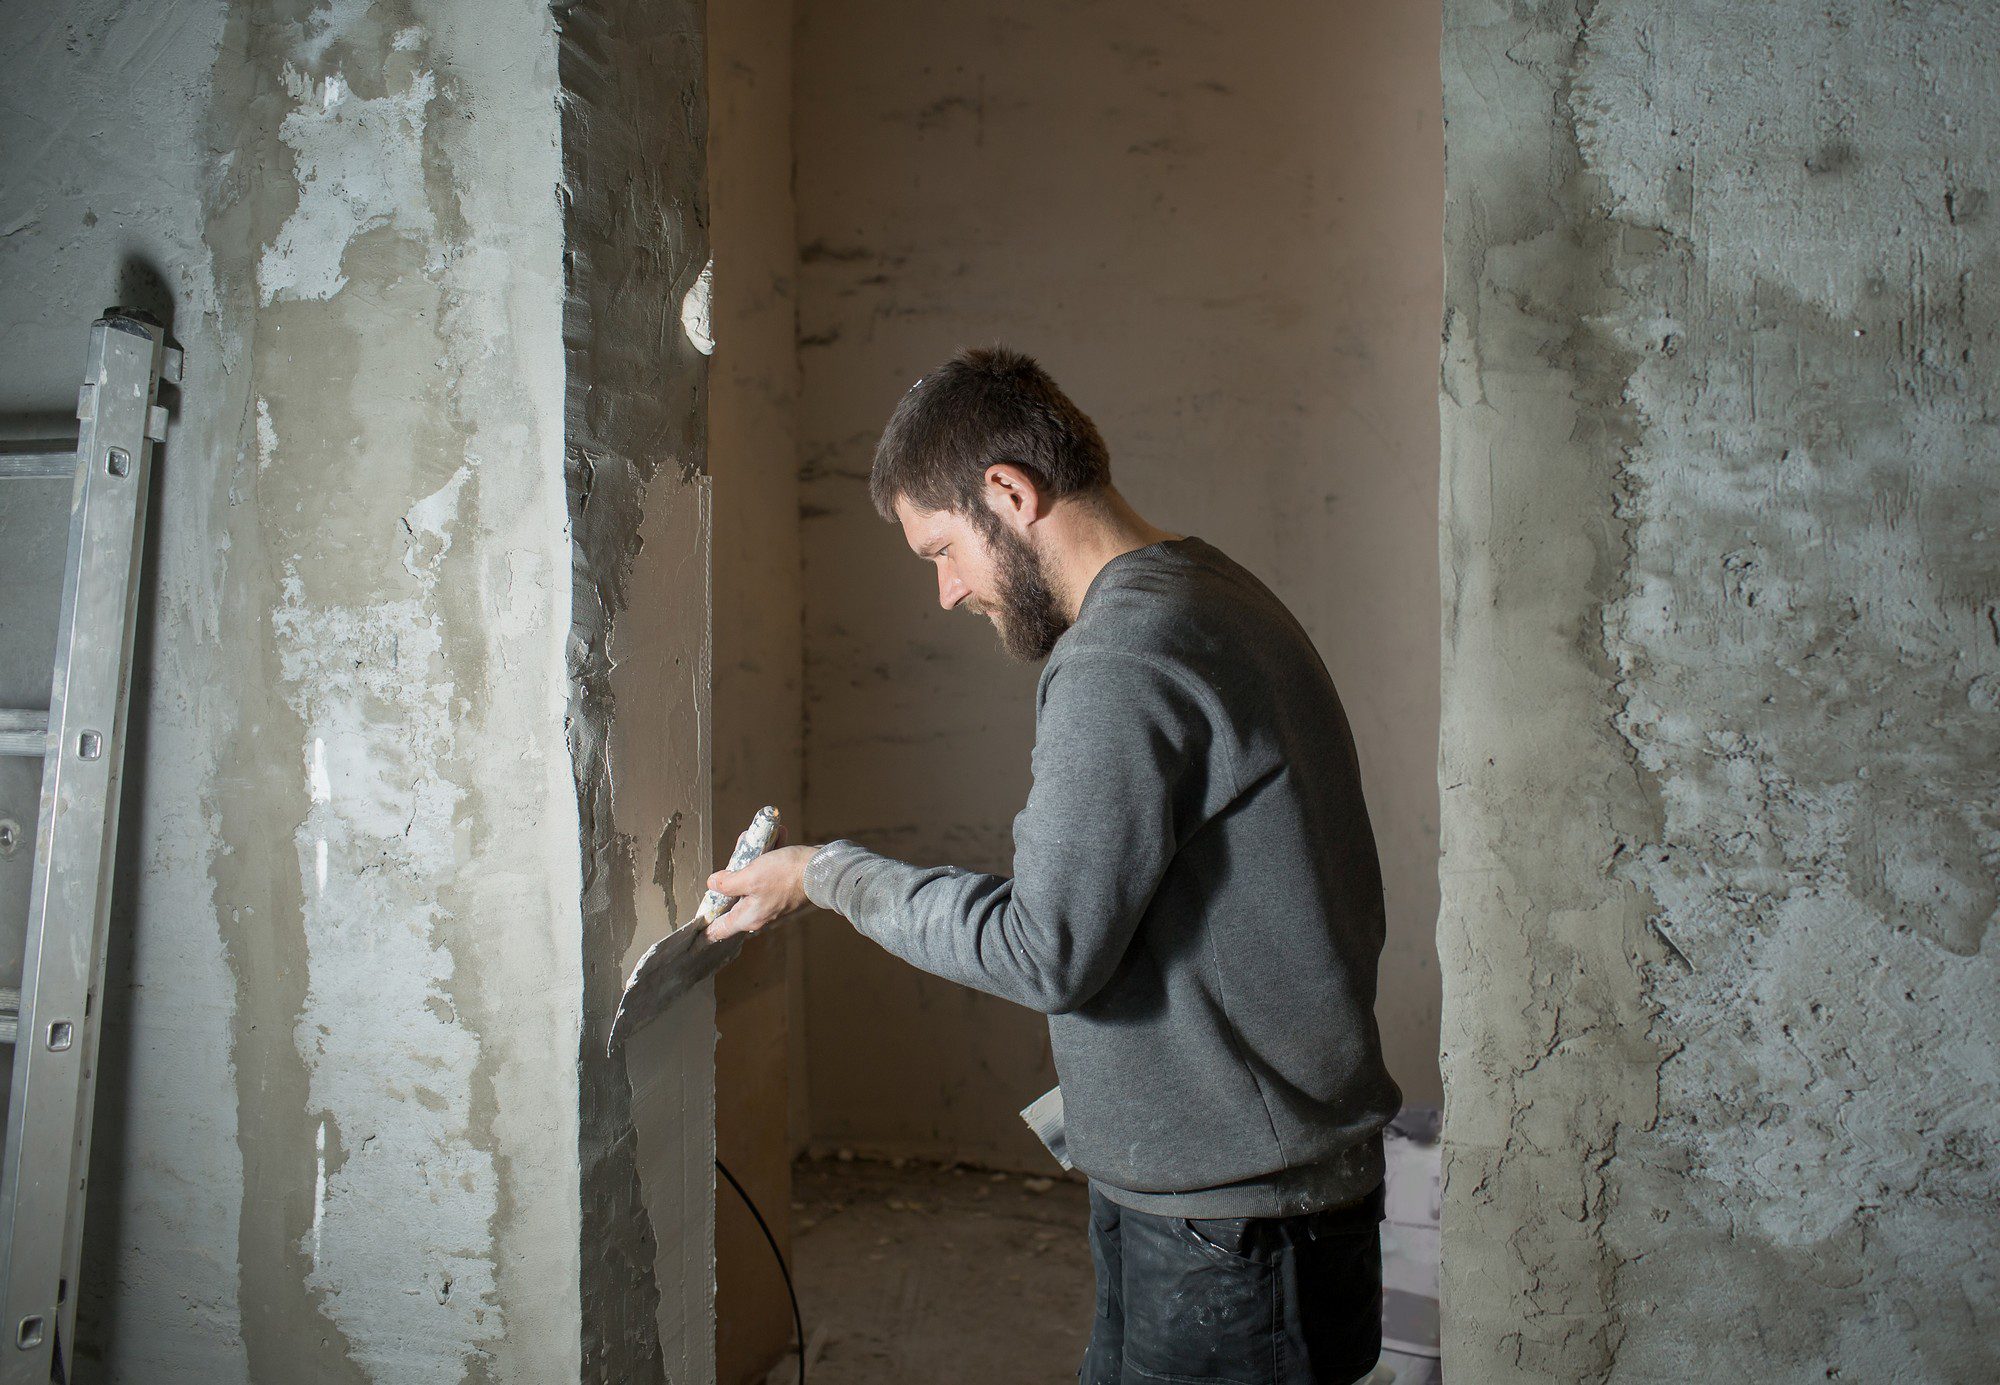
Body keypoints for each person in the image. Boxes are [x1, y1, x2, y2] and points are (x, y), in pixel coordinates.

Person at [705, 346, 1403, 1385]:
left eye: (942, 550)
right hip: (1240, 1210)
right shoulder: (1210, 592)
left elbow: (1044, 949)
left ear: (1007, 493)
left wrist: (823, 873)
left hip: (1232, 1238)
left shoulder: (1124, 653)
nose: (945, 592)